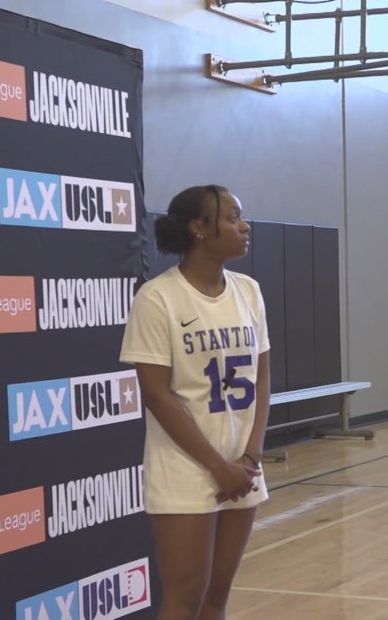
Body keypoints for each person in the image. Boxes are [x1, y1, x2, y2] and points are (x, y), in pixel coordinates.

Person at [119, 184, 270, 620]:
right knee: (184, 602)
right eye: (232, 217)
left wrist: (249, 458)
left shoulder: (249, 292)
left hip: (242, 467)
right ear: (199, 228)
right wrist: (217, 466)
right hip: (187, 469)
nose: (244, 226)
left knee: (215, 601)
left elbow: (262, 376)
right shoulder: (157, 298)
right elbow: (155, 394)